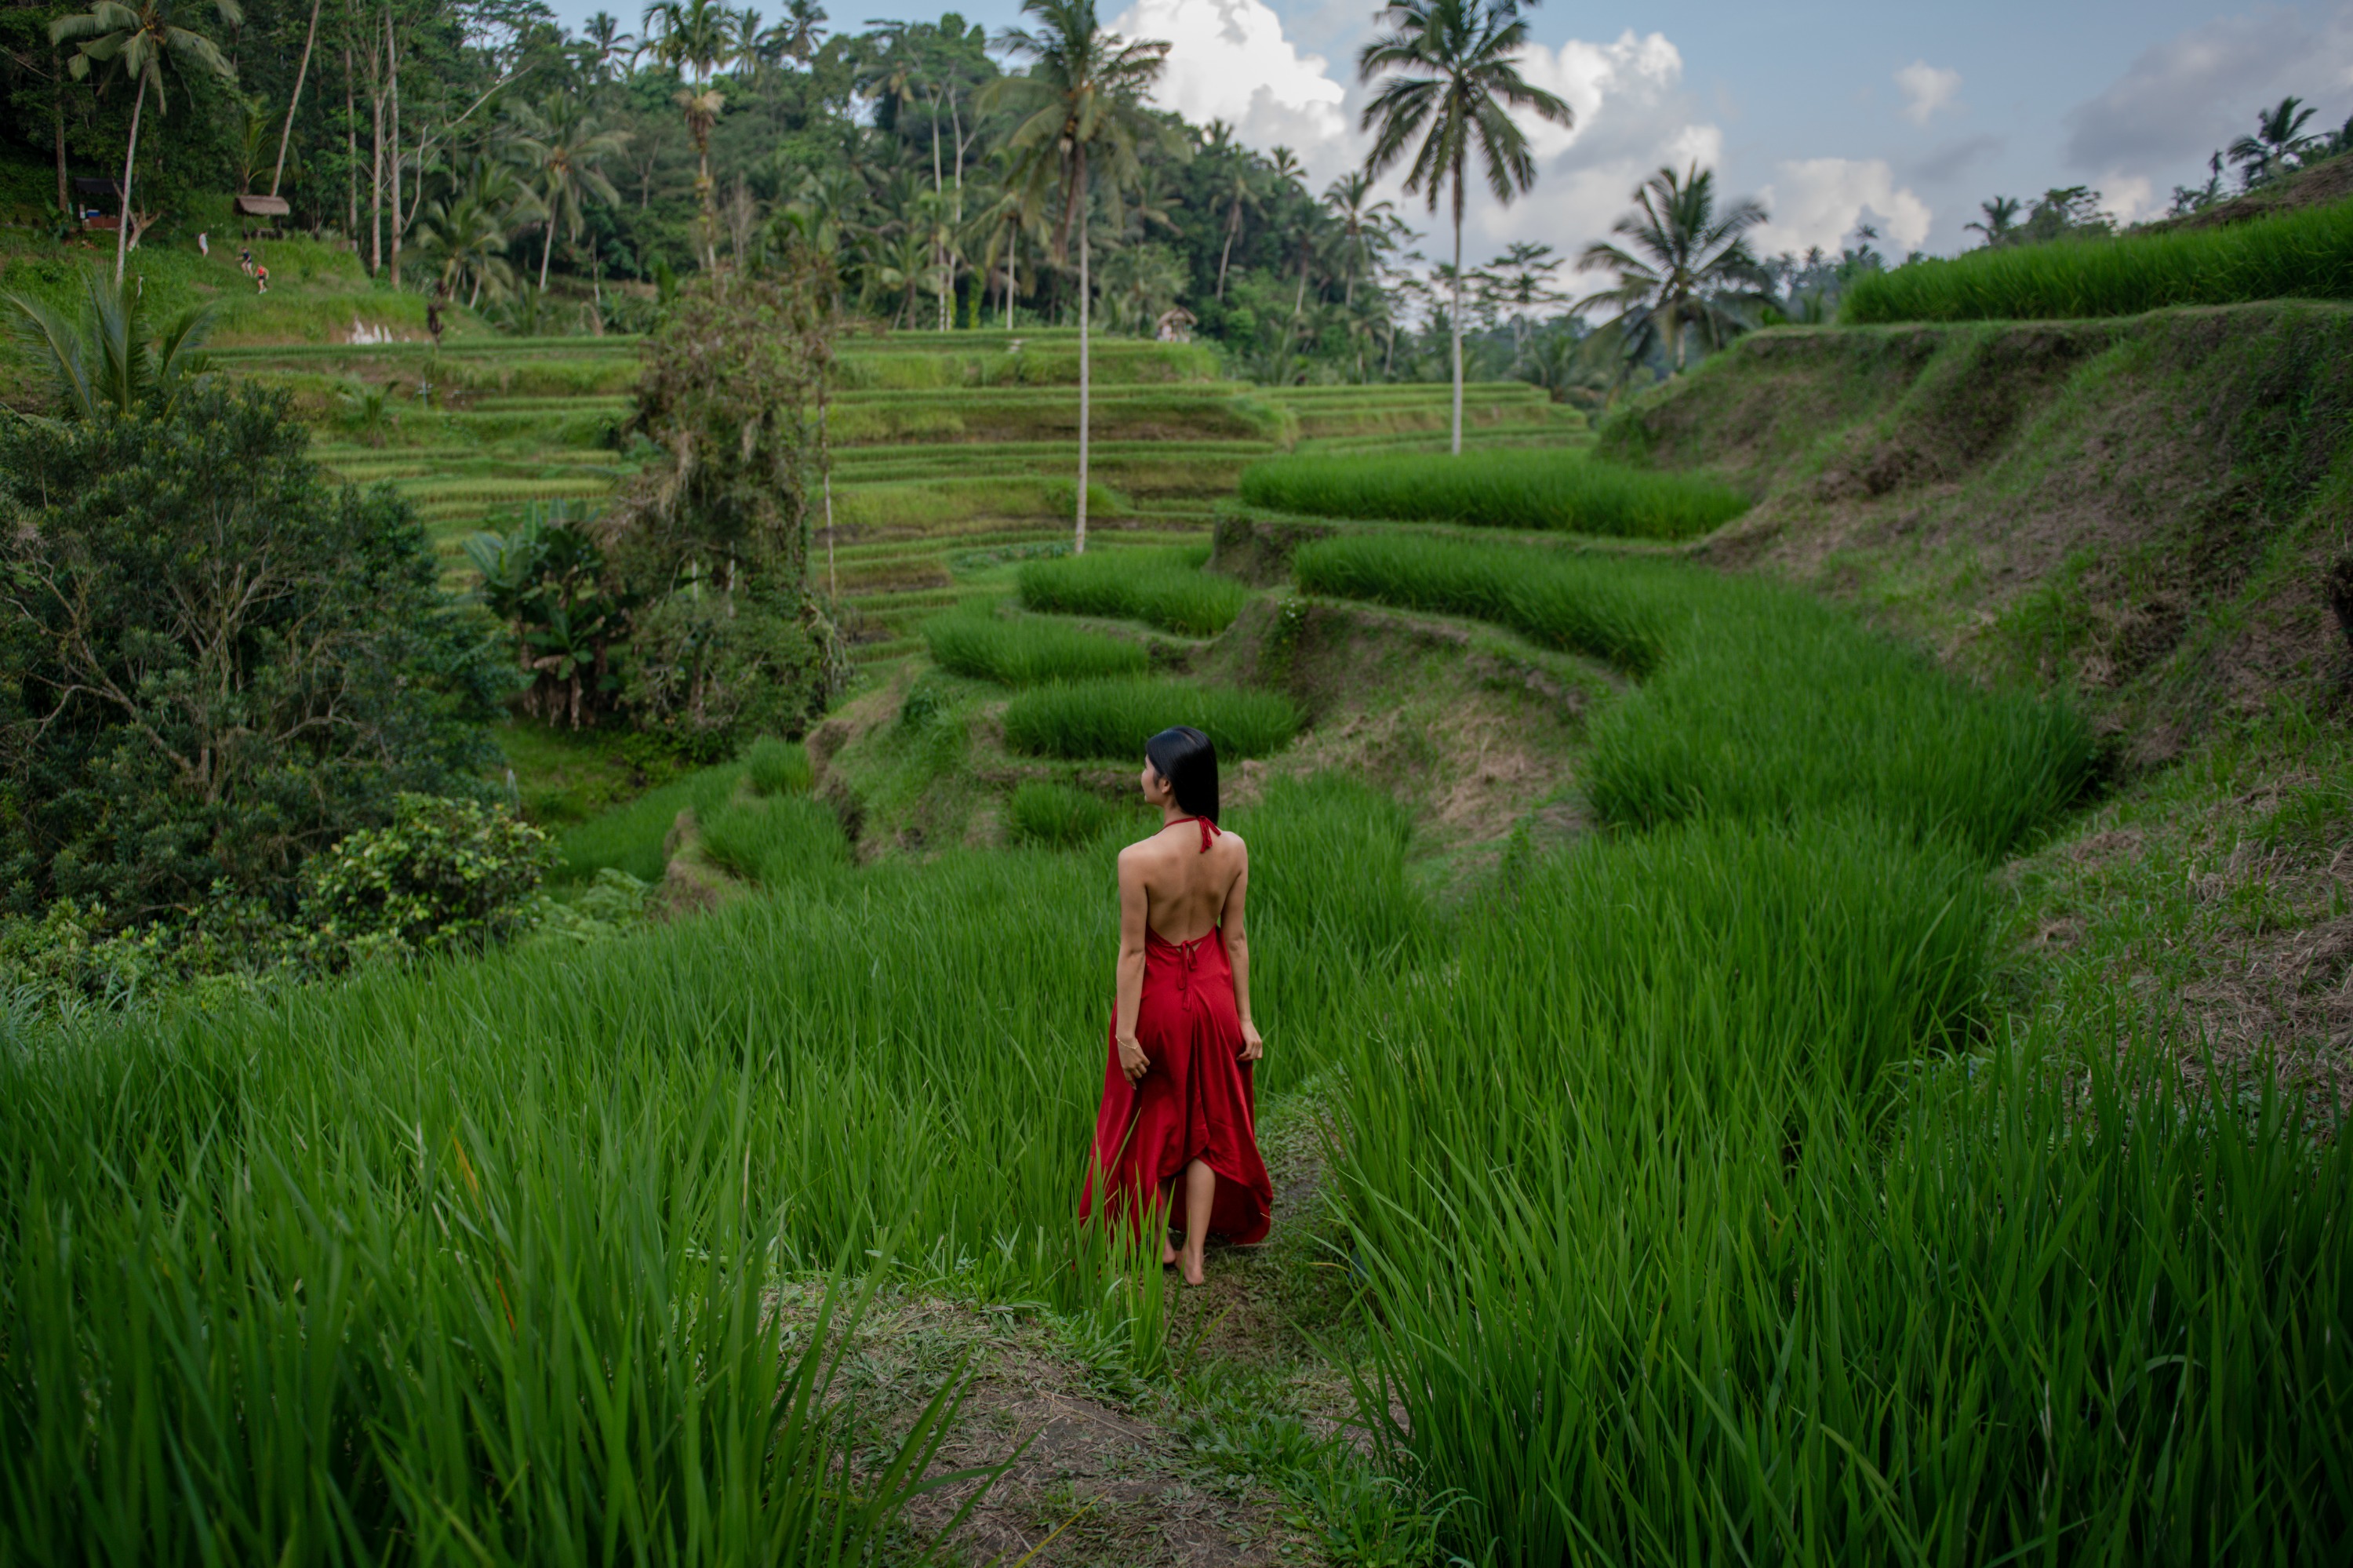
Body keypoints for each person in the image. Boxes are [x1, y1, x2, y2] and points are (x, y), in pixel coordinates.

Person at [1080, 726, 1273, 1286]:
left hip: (1159, 999)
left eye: (1145, 767)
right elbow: (1234, 939)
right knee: (1207, 1124)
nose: (1140, 774)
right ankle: (1195, 1259)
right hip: (1213, 997)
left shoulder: (1136, 858)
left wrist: (1126, 1034)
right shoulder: (1233, 848)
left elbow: (1134, 950)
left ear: (1165, 783)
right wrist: (1244, 1018)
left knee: (1154, 1117)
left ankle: (1162, 1239)